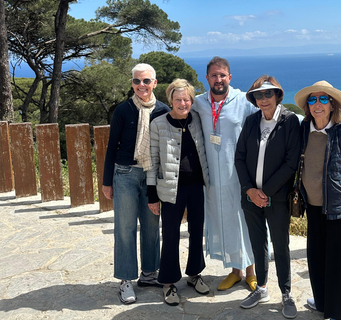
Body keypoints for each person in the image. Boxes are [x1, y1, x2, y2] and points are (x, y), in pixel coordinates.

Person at [294, 81, 341, 320]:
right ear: (307, 106)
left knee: (338, 262)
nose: (317, 104)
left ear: (332, 104)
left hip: (338, 207)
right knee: (316, 256)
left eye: (323, 99)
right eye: (312, 100)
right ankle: (323, 302)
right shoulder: (305, 128)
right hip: (312, 205)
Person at [102, 63, 170, 304]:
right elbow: (112, 147)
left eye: (146, 81)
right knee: (125, 228)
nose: (141, 85)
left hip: (152, 175)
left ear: (154, 83)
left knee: (152, 226)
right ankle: (126, 279)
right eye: (137, 81)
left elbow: (167, 148)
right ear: (132, 83)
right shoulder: (123, 110)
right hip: (125, 174)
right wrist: (106, 181)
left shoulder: (163, 110)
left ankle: (150, 274)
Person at [235, 76, 300, 319]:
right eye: (259, 95)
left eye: (268, 94)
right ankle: (261, 287)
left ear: (277, 96)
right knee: (257, 244)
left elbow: (291, 162)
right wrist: (250, 190)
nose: (263, 99)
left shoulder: (289, 121)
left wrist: (266, 192)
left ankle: (286, 292)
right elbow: (239, 157)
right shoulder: (251, 121)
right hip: (251, 198)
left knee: (280, 245)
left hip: (277, 198)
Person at [191, 56, 257, 291]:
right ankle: (235, 271)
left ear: (230, 77)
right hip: (213, 180)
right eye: (214, 75)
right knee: (226, 223)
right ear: (206, 78)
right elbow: (177, 111)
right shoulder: (198, 103)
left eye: (222, 75)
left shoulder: (243, 102)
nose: (218, 79)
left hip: (239, 176)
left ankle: (251, 271)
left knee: (244, 222)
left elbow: (268, 118)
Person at [147, 79, 210, 306]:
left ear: (191, 100)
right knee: (171, 235)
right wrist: (152, 195)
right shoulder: (158, 123)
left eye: (186, 99)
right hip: (170, 189)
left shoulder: (198, 120)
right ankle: (168, 282)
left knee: (197, 231)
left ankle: (195, 274)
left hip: (196, 186)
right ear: (171, 100)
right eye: (178, 99)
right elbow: (152, 161)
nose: (182, 103)